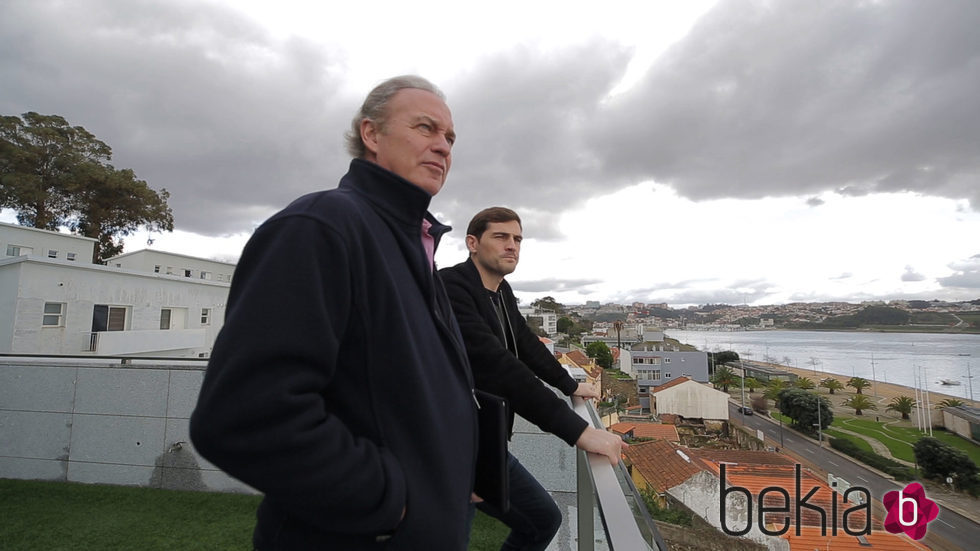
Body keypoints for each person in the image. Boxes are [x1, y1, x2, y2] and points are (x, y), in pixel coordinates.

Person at [190, 76, 478, 550]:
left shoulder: (413, 243)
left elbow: (408, 391)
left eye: (449, 137)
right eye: (426, 128)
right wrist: (390, 503)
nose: (443, 147)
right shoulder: (321, 227)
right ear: (371, 134)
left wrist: (451, 474)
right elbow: (246, 417)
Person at [440, 207, 628, 551]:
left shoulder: (500, 290)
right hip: (448, 446)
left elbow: (525, 344)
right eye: (500, 236)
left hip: (485, 445)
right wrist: (581, 432)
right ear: (472, 243)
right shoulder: (451, 289)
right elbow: (498, 367)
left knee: (543, 519)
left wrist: (569, 384)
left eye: (517, 239)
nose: (512, 245)